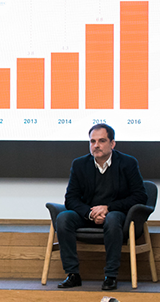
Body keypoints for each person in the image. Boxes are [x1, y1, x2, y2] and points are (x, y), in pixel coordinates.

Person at [57, 123, 147, 291]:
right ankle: (72, 274)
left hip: (116, 215)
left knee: (112, 218)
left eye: (102, 141)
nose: (96, 145)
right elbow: (71, 198)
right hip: (88, 215)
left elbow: (140, 196)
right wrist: (90, 213)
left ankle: (110, 276)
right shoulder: (79, 164)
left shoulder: (127, 163)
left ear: (112, 144)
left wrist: (108, 208)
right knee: (63, 218)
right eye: (92, 141)